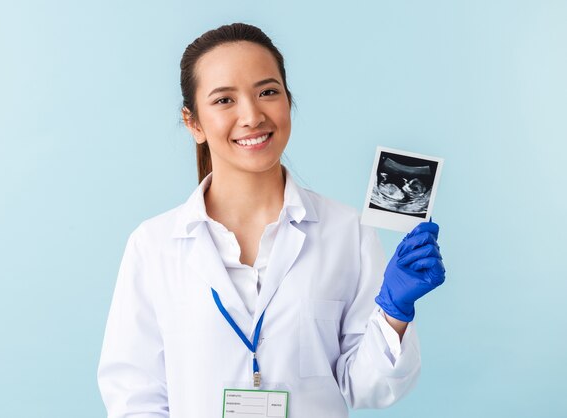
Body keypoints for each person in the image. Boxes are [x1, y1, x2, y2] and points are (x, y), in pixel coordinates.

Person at [97, 22, 445, 418]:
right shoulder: (154, 245)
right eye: (225, 100)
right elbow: (134, 396)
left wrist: (394, 312)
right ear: (193, 123)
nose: (251, 116)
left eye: (267, 92)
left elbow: (367, 388)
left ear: (288, 100)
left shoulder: (347, 232)